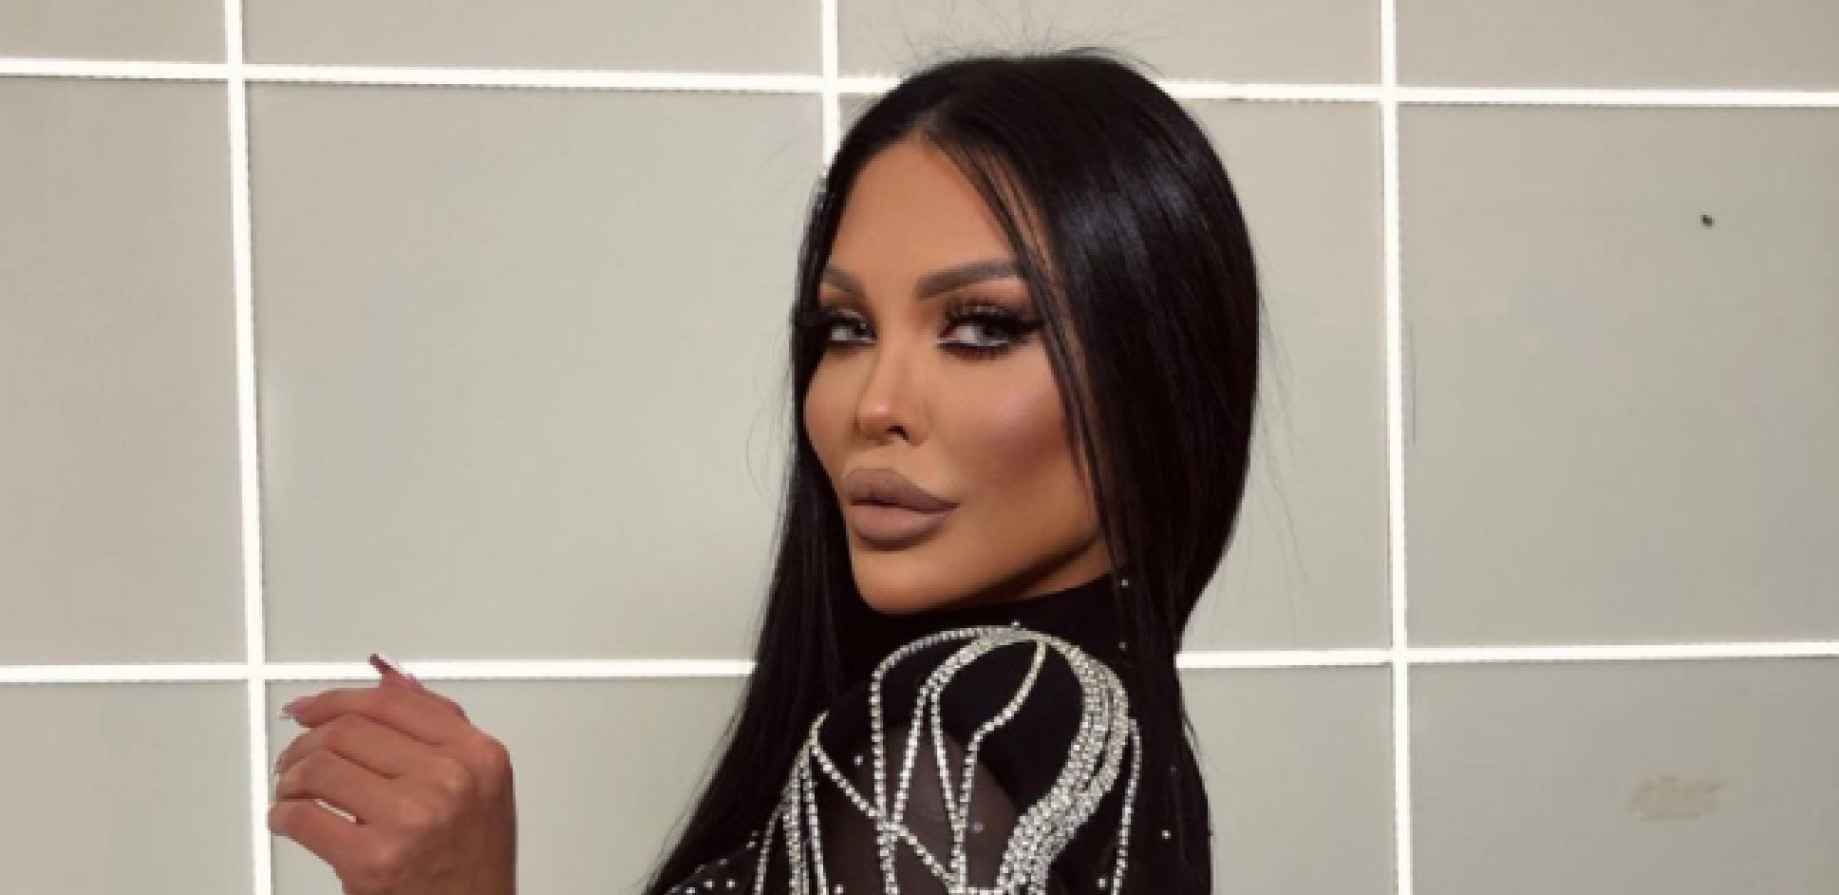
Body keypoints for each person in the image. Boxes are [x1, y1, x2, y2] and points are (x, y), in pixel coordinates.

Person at [269, 46, 1261, 895]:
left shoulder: (957, 734)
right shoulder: (1106, 725)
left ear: (1158, 371)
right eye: (846, 328)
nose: (874, 402)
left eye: (981, 327)